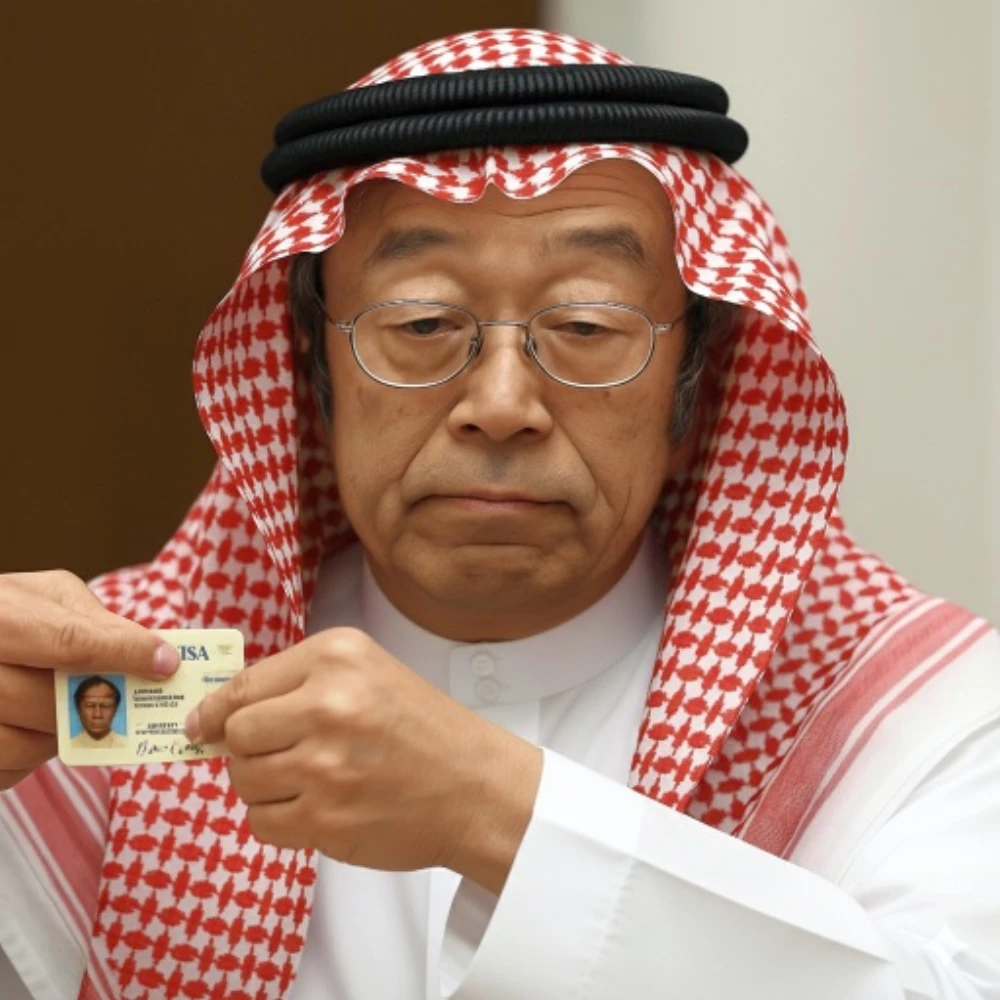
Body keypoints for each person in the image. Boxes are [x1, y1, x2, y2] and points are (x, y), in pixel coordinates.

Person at [0, 27, 998, 1000]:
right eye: (422, 322)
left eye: (588, 325)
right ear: (312, 375)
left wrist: (494, 811)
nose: (504, 404)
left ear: (696, 391)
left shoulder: (907, 713)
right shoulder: (84, 710)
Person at [68, 676, 128, 749]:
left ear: (115, 709)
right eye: (89, 705)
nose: (97, 714)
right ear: (78, 709)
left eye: (105, 706)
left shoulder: (128, 745)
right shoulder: (66, 748)